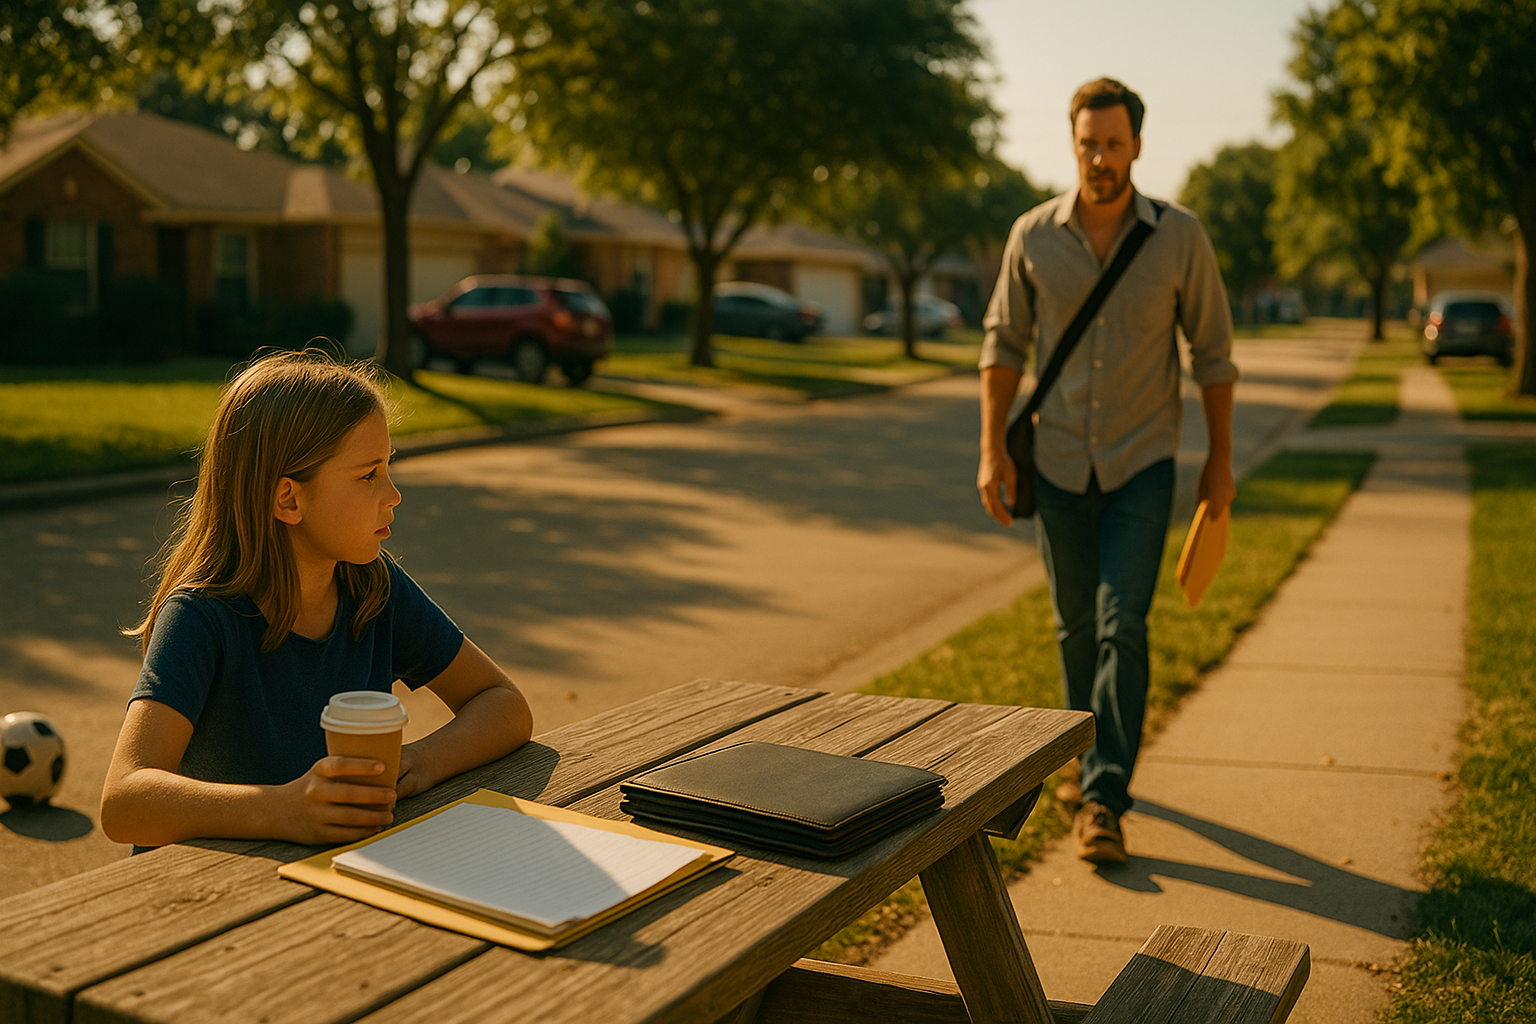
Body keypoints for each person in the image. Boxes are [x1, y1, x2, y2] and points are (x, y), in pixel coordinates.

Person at [100, 350, 535, 849]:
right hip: (209, 903)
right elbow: (124, 802)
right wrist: (282, 810)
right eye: (368, 474)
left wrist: (425, 760)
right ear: (289, 499)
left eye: (387, 467)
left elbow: (504, 705)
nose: (393, 494)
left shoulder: (374, 588)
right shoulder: (201, 617)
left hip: (336, 880)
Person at [975, 78, 1238, 864]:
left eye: (1113, 143)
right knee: (1075, 625)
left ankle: (1104, 796)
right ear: (1073, 143)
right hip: (1055, 464)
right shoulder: (1033, 236)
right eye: (1088, 142)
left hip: (1141, 465)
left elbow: (1214, 354)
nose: (1099, 157)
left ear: (1138, 147)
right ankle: (1084, 752)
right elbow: (1002, 347)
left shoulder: (1179, 237)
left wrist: (1220, 461)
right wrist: (991, 448)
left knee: (1124, 621)